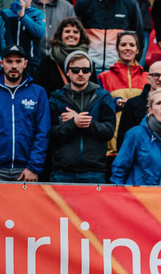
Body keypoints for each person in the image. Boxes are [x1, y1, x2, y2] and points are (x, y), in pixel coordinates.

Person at [0, 44, 50, 181]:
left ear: (25, 63)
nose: (14, 66)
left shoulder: (38, 92)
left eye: (18, 61)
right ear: (1, 63)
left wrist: (33, 167)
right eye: (9, 61)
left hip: (26, 170)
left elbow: (43, 132)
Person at [46, 50, 115, 183]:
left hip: (94, 171)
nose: (80, 73)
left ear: (90, 72)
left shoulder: (103, 97)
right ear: (67, 71)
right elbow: (51, 133)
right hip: (62, 170)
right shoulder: (56, 98)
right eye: (76, 69)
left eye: (85, 70)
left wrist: (86, 123)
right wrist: (73, 123)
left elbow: (109, 131)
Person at [74, 0, 143, 74]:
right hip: (88, 70)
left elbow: (139, 38)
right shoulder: (84, 3)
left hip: (119, 71)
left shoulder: (130, 5)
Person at [111, 86, 161, 185]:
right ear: (151, 110)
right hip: (138, 196)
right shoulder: (135, 134)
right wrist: (120, 194)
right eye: (158, 103)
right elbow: (119, 168)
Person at [97, 29, 145, 149]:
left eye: (132, 45)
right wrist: (115, 102)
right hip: (113, 135)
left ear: (137, 50)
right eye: (123, 45)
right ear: (117, 49)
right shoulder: (103, 77)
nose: (127, 48)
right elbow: (98, 107)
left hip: (143, 136)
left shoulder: (148, 78)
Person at [118, 59, 161, 139]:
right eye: (156, 75)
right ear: (148, 78)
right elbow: (123, 139)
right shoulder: (132, 104)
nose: (160, 79)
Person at [33, 15, 86, 93]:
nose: (71, 34)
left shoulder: (87, 61)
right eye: (67, 31)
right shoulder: (48, 62)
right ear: (60, 35)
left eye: (75, 32)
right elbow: (39, 90)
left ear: (80, 36)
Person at [0, 0, 44, 64]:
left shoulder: (37, 13)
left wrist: (23, 16)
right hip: (10, 61)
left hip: (31, 61)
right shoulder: (5, 13)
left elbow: (40, 33)